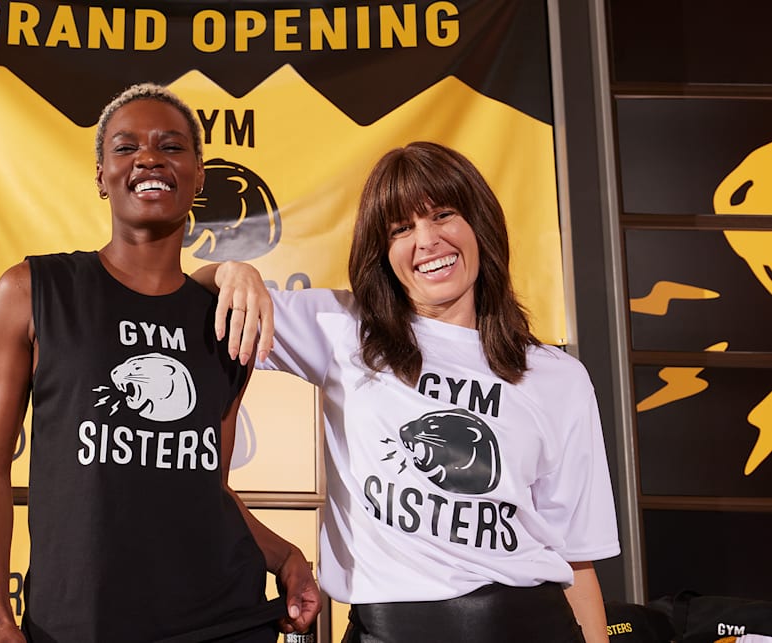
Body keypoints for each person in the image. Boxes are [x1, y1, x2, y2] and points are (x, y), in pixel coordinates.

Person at [195, 141, 620, 643]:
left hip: (533, 623)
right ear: (384, 253)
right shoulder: (343, 328)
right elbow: (199, 294)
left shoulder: (557, 376)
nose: (428, 240)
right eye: (402, 229)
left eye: (443, 215)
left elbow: (574, 557)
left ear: (479, 225)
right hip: (390, 627)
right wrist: (232, 271)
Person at [0, 83, 320, 643]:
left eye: (171, 147)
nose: (149, 158)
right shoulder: (34, 290)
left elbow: (212, 487)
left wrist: (285, 556)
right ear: (102, 176)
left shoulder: (225, 317)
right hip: (78, 622)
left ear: (199, 176)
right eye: (126, 148)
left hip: (219, 618)